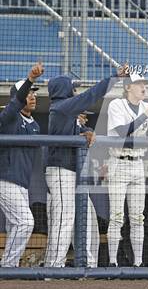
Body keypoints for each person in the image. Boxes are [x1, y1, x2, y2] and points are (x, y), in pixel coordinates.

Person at [44, 64, 129, 268]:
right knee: (64, 220)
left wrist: (87, 131)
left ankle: (81, 266)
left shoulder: (66, 113)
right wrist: (114, 77)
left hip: (69, 172)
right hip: (60, 171)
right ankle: (53, 268)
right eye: (72, 88)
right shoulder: (61, 108)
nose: (75, 90)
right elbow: (91, 95)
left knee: (81, 217)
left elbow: (79, 130)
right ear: (63, 90)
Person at [107, 73, 148, 267]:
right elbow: (122, 133)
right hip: (119, 161)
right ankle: (112, 263)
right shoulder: (116, 105)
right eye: (139, 83)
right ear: (127, 87)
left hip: (137, 164)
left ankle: (138, 264)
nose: (144, 86)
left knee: (137, 218)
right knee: (116, 217)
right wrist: (147, 114)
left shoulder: (146, 107)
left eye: (144, 83)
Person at [0, 62, 44, 267]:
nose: (33, 96)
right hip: (5, 179)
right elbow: (15, 103)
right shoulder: (9, 117)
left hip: (22, 184)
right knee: (26, 222)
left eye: (35, 93)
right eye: (29, 93)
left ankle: (10, 267)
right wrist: (30, 80)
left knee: (14, 225)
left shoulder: (34, 124)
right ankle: (8, 266)